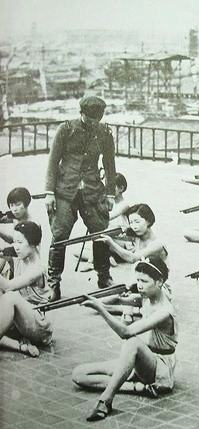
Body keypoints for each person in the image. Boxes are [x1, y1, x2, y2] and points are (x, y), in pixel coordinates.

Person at [71, 256, 177, 421]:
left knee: (132, 342)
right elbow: (120, 300)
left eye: (145, 281)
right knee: (79, 374)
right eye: (138, 280)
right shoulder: (147, 297)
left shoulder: (165, 311)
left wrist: (100, 308)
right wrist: (98, 300)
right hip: (142, 362)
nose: (140, 285)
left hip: (159, 369)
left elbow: (126, 332)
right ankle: (140, 388)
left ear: (159, 282)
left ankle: (105, 400)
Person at [44, 96, 116, 301]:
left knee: (100, 232)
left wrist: (110, 193)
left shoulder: (104, 132)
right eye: (89, 120)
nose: (94, 124)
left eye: (97, 120)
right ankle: (54, 284)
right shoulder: (66, 129)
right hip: (64, 191)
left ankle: (104, 277)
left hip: (93, 191)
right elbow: (52, 161)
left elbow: (110, 164)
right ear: (81, 113)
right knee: (59, 235)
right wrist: (49, 193)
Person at [0, 221, 52, 357]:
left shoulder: (37, 269)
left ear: (34, 244)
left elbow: (9, 286)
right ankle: (20, 346)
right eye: (14, 242)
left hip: (38, 327)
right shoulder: (18, 258)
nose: (15, 247)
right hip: (18, 323)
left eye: (20, 242)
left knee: (9, 296)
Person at [75, 173, 130, 271]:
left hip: (121, 241)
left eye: (111, 187)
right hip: (108, 237)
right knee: (77, 252)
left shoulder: (124, 205)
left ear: (121, 188)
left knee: (101, 234)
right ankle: (107, 258)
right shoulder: (106, 202)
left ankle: (91, 262)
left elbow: (108, 217)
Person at [97, 203, 168, 264]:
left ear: (149, 221)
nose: (134, 226)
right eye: (131, 222)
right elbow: (111, 235)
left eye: (137, 222)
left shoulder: (157, 244)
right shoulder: (136, 236)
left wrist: (111, 243)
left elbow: (133, 259)